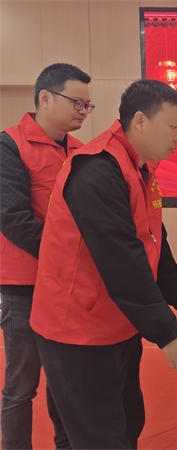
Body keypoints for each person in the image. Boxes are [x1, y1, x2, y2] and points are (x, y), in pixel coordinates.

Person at [28, 79, 177, 449]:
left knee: (125, 423)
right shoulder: (97, 170)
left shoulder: (139, 168)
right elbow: (121, 259)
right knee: (98, 436)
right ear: (140, 120)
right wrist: (168, 333)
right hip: (77, 329)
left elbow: (153, 240)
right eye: (173, 126)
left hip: (117, 321)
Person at [0, 62, 92, 449]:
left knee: (65, 382)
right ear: (45, 98)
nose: (83, 112)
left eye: (88, 105)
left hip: (66, 287)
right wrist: (67, 255)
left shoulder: (83, 152)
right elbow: (13, 218)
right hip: (23, 286)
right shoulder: (9, 145)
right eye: (77, 102)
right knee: (21, 386)